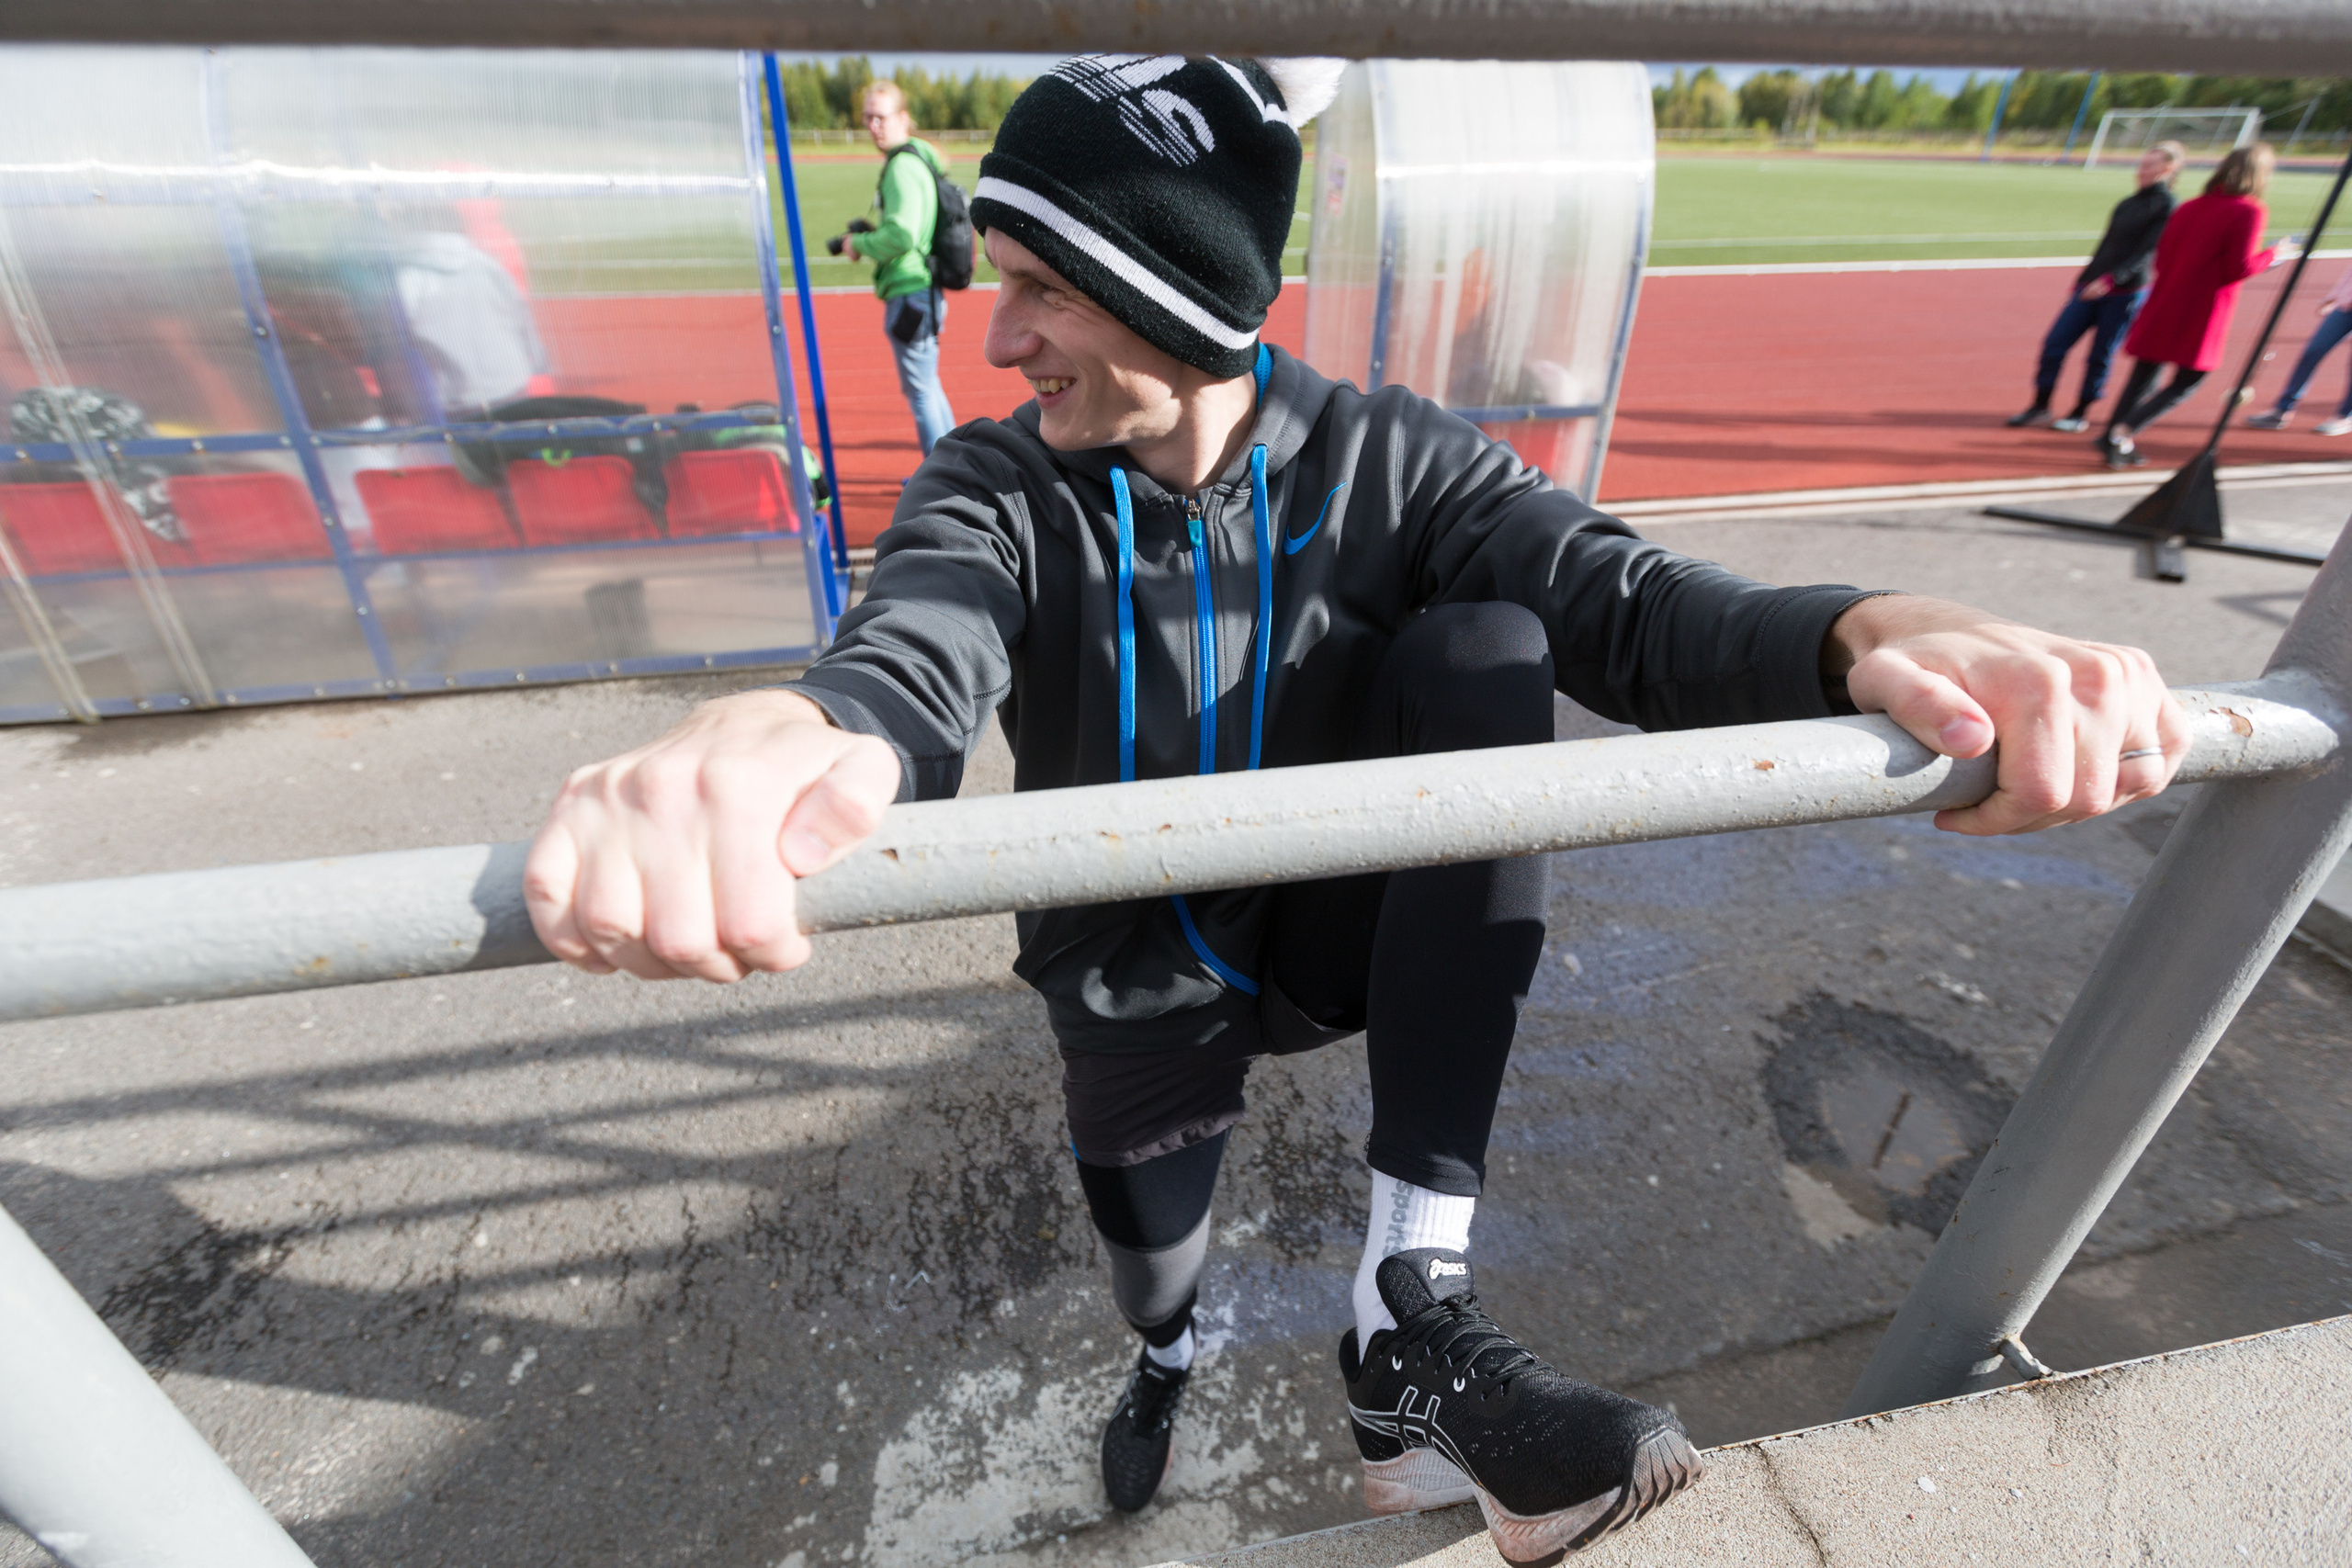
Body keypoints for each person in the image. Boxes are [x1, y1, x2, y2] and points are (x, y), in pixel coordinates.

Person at [525, 56, 2190, 1562]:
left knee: (1491, 644)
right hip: (1133, 977)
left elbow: (1635, 606)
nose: (999, 333)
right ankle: (1163, 1360)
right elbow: (915, 647)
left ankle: (1411, 1309)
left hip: (1348, 936)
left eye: (1039, 285)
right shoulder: (1001, 478)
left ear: (1167, 290)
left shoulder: (1398, 460)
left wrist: (1871, 629)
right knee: (1152, 1267)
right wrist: (801, 730)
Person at [2098, 142, 2301, 468]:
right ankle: (2124, 430)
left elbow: (2162, 258)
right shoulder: (2249, 210)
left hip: (2167, 297)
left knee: (2143, 375)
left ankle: (2114, 436)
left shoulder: (2190, 207)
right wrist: (2274, 254)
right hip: (2204, 307)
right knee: (2188, 380)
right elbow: (2241, 267)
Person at [2007, 141, 2183, 433]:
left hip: (2123, 294)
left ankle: (2080, 412)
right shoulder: (2128, 203)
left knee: (2100, 355)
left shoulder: (2166, 206)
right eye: (2142, 164)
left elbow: (2147, 252)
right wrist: (2084, 279)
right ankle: (2040, 405)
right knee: (2054, 344)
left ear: (2168, 169)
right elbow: (2108, 246)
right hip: (2091, 287)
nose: (2142, 170)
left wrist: (2113, 279)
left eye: (2150, 165)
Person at [835, 80, 956, 456]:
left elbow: (902, 234)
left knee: (921, 393)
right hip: (922, 287)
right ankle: (955, 470)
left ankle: (943, 481)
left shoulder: (902, 165)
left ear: (903, 119)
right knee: (927, 387)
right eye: (868, 117)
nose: (873, 125)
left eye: (881, 117)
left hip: (910, 290)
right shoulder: (917, 159)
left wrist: (859, 243)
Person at [2244, 262, 2352, 436]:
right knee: (2313, 351)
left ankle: (2345, 415)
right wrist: (2333, 296)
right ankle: (2282, 409)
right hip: (2346, 307)